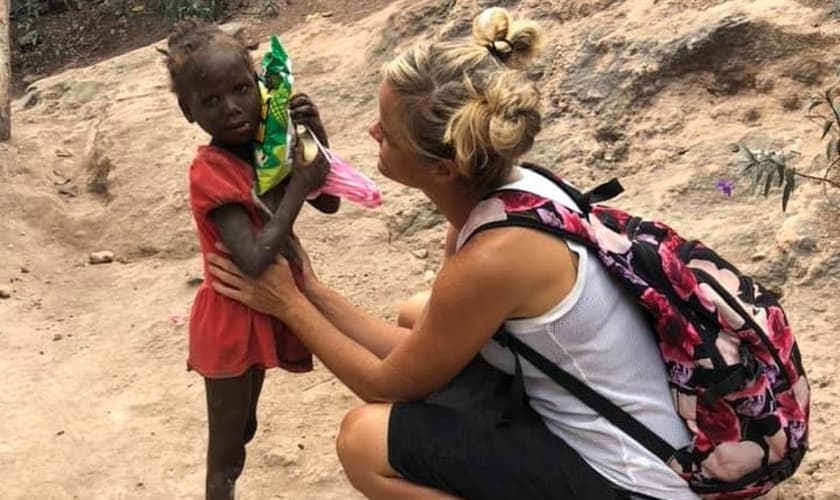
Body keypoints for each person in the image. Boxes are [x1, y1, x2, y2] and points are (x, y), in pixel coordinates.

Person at [206, 7, 700, 500]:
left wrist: (289, 306)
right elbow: (420, 348)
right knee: (417, 313)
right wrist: (312, 290)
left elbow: (388, 384)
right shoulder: (515, 191)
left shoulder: (493, 258)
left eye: (388, 133)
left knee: (363, 440)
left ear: (444, 168)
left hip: (635, 482)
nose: (373, 135)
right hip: (636, 425)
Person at [159, 20, 338, 499]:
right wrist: (298, 185)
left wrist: (315, 135)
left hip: (262, 309)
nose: (232, 108)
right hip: (231, 320)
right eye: (211, 100)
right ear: (187, 110)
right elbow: (255, 258)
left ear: (260, 85)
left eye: (240, 89)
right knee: (226, 461)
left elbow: (329, 201)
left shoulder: (266, 147)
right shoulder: (210, 170)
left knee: (244, 428)